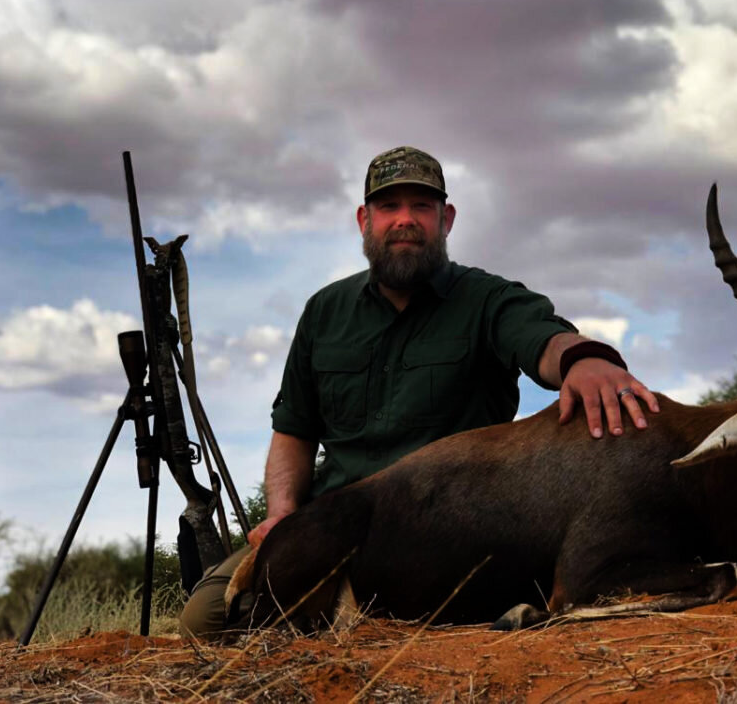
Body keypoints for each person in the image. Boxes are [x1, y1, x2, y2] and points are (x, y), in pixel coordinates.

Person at [179, 145, 659, 638]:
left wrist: (585, 359)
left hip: (448, 531)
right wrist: (281, 514)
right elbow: (294, 431)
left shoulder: (489, 298)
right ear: (364, 219)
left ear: (445, 219)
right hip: (333, 525)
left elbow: (543, 339)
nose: (405, 220)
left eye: (421, 207)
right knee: (207, 619)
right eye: (389, 207)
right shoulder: (325, 311)